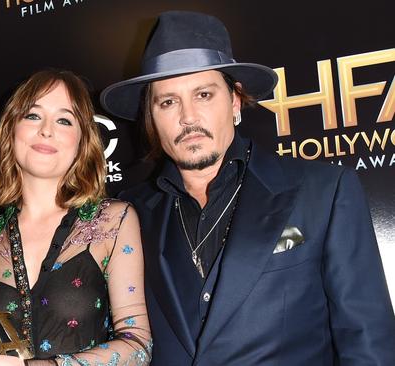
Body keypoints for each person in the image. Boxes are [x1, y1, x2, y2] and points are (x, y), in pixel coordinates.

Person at [100, 11, 395, 365]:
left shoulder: (324, 191)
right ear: (151, 117)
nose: (188, 116)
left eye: (204, 94)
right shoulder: (125, 214)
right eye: (168, 102)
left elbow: (367, 343)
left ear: (235, 101)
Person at [0, 69, 152, 366]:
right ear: (10, 130)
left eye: (64, 120)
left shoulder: (112, 221)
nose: (46, 130)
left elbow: (138, 345)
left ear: (82, 142)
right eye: (33, 115)